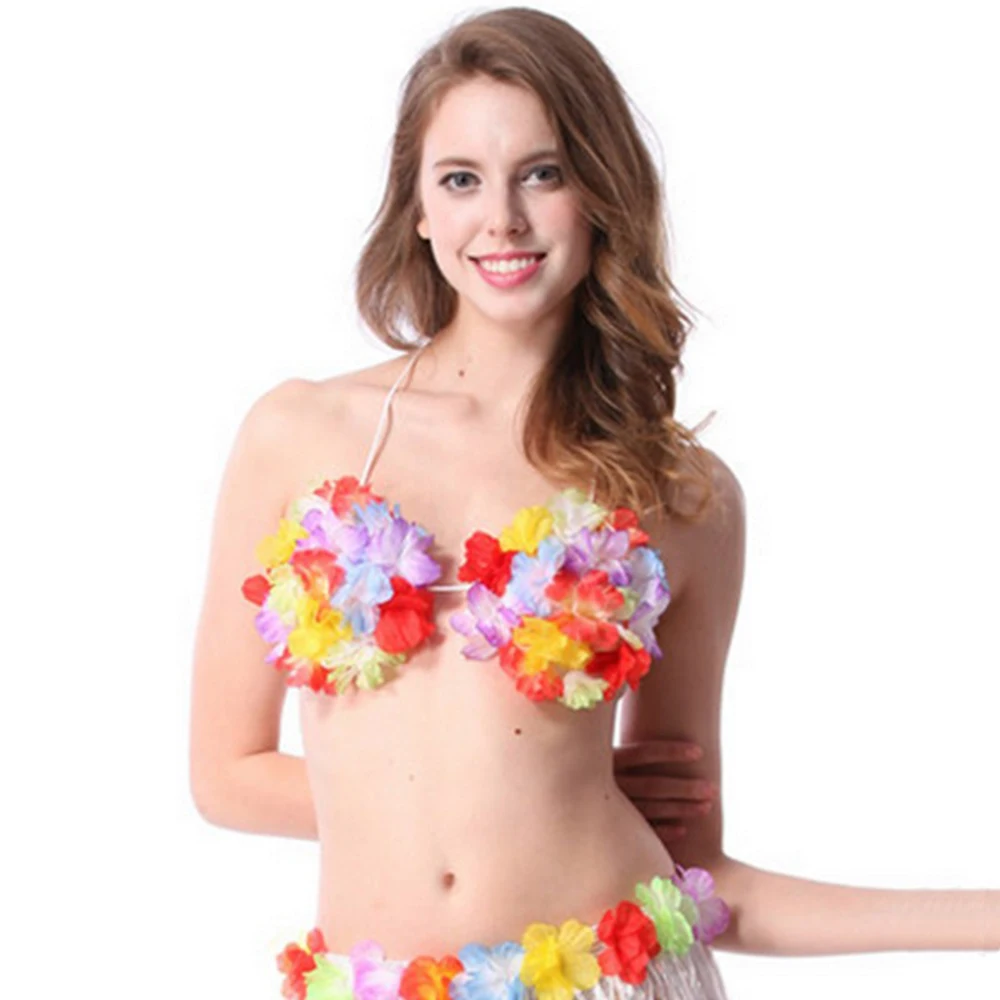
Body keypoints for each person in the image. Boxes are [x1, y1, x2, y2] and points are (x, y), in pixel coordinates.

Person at [188, 7, 998, 999]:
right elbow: (224, 774)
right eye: (461, 179)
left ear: (603, 194)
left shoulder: (683, 496)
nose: (502, 220)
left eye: (543, 173)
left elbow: (699, 874)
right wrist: (519, 794)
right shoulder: (297, 433)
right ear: (417, 207)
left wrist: (980, 915)